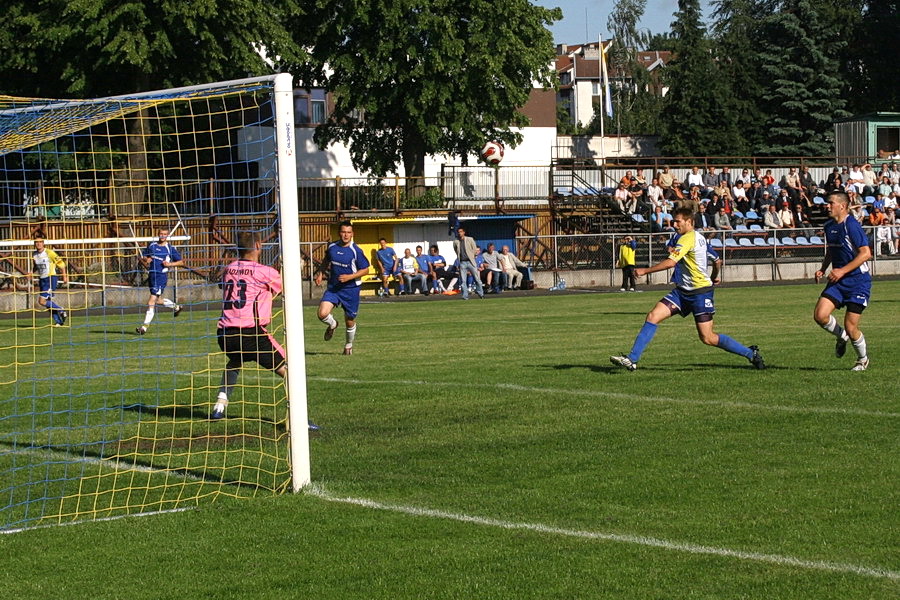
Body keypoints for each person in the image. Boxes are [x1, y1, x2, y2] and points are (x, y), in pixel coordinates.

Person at [610, 207, 765, 371]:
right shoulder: (698, 237)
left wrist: (644, 271)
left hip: (700, 293)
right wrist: (713, 276)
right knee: (653, 316)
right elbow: (717, 261)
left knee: (707, 337)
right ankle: (632, 359)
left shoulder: (686, 239)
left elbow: (671, 263)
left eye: (678, 221)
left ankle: (750, 353)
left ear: (689, 222)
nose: (674, 224)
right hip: (682, 292)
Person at [212, 231, 319, 431]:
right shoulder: (265, 272)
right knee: (292, 371)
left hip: (224, 333)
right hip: (250, 333)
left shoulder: (229, 268)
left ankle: (219, 405)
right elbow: (288, 288)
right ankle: (299, 420)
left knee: (235, 360)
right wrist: (297, 266)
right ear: (259, 246)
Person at [813, 191, 872, 371]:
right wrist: (824, 268)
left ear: (842, 206)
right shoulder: (829, 225)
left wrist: (841, 271)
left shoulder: (851, 225)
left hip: (858, 281)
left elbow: (866, 254)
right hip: (838, 280)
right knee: (820, 315)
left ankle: (862, 359)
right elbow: (832, 249)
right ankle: (841, 336)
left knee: (851, 325)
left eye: (831, 203)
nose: (827, 206)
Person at [315, 221, 370, 356]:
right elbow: (326, 260)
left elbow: (365, 270)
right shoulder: (332, 246)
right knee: (322, 314)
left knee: (349, 320)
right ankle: (333, 324)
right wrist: (321, 273)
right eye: (343, 232)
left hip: (351, 290)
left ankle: (348, 346)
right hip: (334, 288)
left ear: (352, 234)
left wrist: (349, 277)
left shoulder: (356, 251)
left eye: (348, 232)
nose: (346, 235)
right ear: (339, 233)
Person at [136, 228, 183, 335]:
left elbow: (180, 262)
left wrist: (169, 264)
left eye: (165, 234)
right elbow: (144, 255)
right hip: (152, 276)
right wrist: (146, 259)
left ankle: (144, 327)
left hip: (161, 277)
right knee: (158, 300)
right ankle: (177, 307)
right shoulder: (152, 245)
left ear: (167, 235)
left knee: (151, 301)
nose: (162, 236)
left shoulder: (169, 248)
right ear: (158, 234)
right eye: (161, 234)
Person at [30, 238, 69, 326]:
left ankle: (60, 309)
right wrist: (31, 272)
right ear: (34, 244)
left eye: (40, 242)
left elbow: (61, 264)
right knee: (48, 303)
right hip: (42, 279)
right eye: (37, 242)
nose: (38, 244)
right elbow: (36, 266)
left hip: (50, 278)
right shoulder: (34, 254)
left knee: (41, 301)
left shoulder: (49, 253)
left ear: (43, 243)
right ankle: (59, 322)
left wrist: (64, 276)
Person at [453, 226, 484, 300]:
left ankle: (480, 293)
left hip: (470, 261)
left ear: (464, 232)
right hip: (462, 262)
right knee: (463, 280)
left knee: (477, 279)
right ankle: (465, 296)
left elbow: (474, 249)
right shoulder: (456, 241)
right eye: (458, 232)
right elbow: (455, 250)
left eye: (461, 232)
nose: (459, 233)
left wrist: (472, 256)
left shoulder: (470, 239)